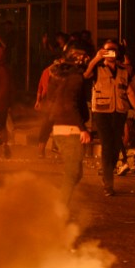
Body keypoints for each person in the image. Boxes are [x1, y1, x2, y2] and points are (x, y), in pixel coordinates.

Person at [44, 45, 92, 206]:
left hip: (59, 129)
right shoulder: (75, 79)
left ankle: (59, 204)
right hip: (71, 131)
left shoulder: (58, 77)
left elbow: (52, 102)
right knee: (73, 174)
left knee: (75, 174)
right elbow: (69, 104)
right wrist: (82, 129)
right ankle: (59, 211)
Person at [84, 39, 132, 196]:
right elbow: (85, 74)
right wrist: (96, 58)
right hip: (102, 112)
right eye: (107, 50)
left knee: (116, 146)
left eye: (114, 50)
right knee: (107, 146)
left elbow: (129, 91)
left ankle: (106, 173)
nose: (111, 52)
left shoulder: (123, 70)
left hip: (119, 111)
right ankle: (108, 185)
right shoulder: (97, 68)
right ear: (102, 51)